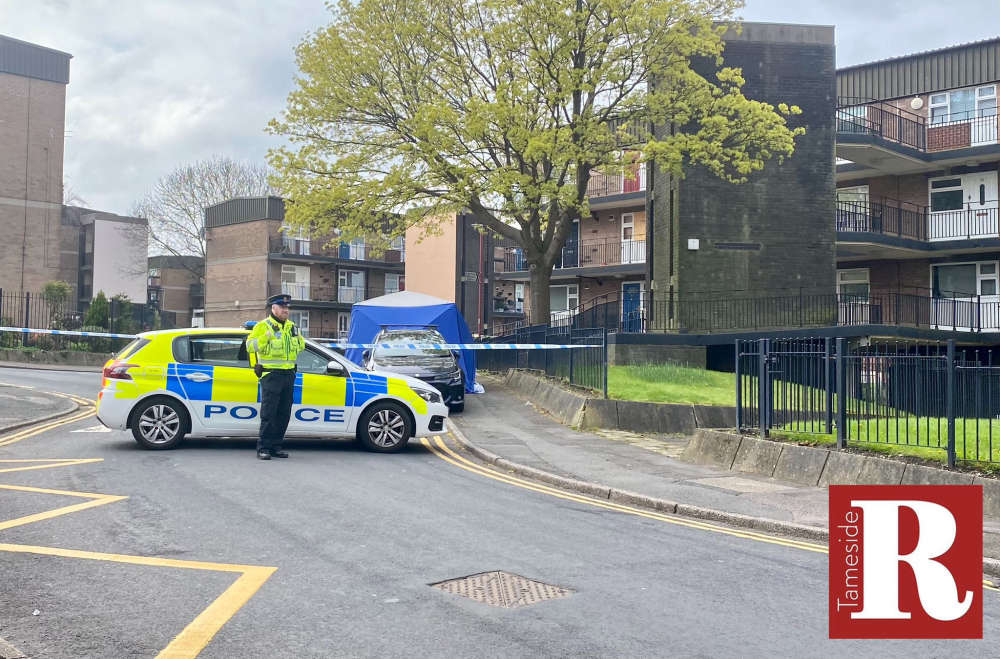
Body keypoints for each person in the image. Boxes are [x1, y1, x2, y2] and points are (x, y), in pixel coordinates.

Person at [246, 294, 306, 460]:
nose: (286, 310)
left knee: (284, 413)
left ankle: (276, 446)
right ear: (273, 308)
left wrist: (297, 341)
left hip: (289, 374)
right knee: (269, 413)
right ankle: (263, 448)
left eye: (287, 307)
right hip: (271, 374)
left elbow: (301, 346)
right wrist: (266, 337)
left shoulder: (292, 327)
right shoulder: (262, 326)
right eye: (282, 307)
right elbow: (250, 346)